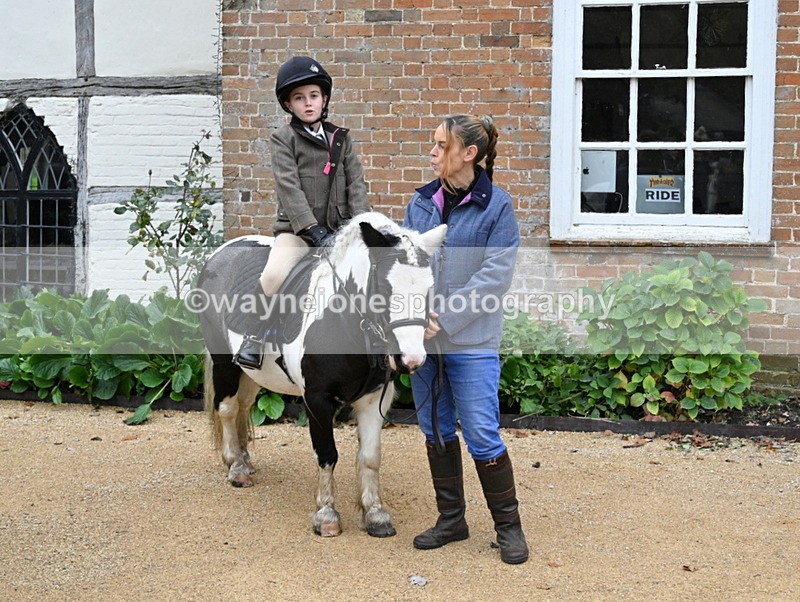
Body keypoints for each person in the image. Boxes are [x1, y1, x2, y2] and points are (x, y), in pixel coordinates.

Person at [403, 115, 528, 564]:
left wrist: (445, 318)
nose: (432, 153)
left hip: (472, 341)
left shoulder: (497, 206)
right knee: (435, 428)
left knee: (480, 432)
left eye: (441, 145)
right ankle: (452, 521)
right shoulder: (420, 204)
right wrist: (417, 319)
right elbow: (405, 268)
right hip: (424, 341)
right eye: (433, 144)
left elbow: (495, 277)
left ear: (468, 153)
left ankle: (509, 528)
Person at [235, 56, 370, 369]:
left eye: (313, 96)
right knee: (274, 274)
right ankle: (254, 337)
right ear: (288, 104)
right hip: (298, 233)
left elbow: (357, 186)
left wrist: (362, 225)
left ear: (324, 99)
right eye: (299, 98)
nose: (308, 103)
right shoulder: (283, 139)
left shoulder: (341, 139)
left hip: (341, 231)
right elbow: (288, 188)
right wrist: (311, 228)